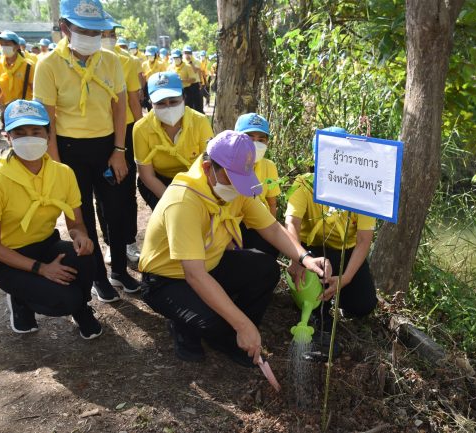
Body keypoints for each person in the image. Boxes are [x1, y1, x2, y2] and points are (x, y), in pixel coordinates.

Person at [138, 130, 334, 366]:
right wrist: (241, 323)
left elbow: (271, 228)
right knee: (214, 320)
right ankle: (185, 325)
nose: (237, 187)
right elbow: (194, 275)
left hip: (211, 263)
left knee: (266, 268)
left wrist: (305, 258)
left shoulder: (237, 190)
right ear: (209, 168)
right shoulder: (184, 201)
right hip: (166, 279)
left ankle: (233, 337)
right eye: (231, 178)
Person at [34, 0, 137, 303]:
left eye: (97, 31)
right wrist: (57, 166)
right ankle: (97, 277)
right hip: (68, 149)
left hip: (107, 147)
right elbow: (48, 121)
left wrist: (119, 149)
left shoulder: (110, 60)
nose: (92, 36)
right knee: (83, 217)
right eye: (84, 30)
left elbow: (119, 110)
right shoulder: (48, 65)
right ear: (65, 28)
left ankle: (119, 269)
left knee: (116, 210)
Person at [0, 99, 100, 338]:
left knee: (86, 257)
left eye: (36, 131)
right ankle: (21, 299)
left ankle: (81, 308)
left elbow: (75, 223)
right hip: (6, 260)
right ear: (8, 137)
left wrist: (81, 236)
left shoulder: (63, 173)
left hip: (45, 245)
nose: (29, 138)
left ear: (48, 134)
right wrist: (41, 269)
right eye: (19, 132)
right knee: (65, 298)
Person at [284, 126, 378, 357]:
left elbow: (365, 239)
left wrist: (346, 278)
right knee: (318, 288)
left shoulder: (361, 188)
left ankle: (335, 290)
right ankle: (318, 315)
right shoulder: (305, 184)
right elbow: (292, 223)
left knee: (363, 305)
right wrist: (297, 259)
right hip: (312, 251)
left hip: (346, 251)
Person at [97, 17, 143, 265]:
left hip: (124, 132)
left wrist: (141, 129)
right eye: (102, 33)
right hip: (96, 134)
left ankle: (129, 239)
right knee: (103, 192)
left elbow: (134, 100)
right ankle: (109, 241)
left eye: (109, 33)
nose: (107, 37)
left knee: (126, 189)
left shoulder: (126, 60)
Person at [133, 71, 213, 209]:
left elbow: (208, 167)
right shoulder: (140, 128)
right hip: (158, 181)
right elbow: (147, 175)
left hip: (195, 180)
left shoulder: (200, 122)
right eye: (161, 103)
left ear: (184, 97)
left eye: (173, 101)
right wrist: (174, 202)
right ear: (151, 103)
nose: (168, 107)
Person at [234, 113, 280, 257]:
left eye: (261, 139)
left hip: (259, 223)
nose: (255, 143)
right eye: (249, 137)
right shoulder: (227, 163)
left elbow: (272, 203)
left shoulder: (269, 166)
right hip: (234, 223)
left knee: (269, 251)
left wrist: (271, 234)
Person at [0, 31, 35, 112]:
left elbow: (35, 90)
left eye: (7, 44)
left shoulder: (28, 65)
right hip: (7, 110)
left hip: (26, 109)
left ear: (17, 46)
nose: (3, 47)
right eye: (2, 44)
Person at [182, 45, 204, 113]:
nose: (187, 54)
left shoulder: (196, 61)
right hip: (186, 85)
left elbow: (196, 71)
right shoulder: (182, 61)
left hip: (195, 85)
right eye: (186, 52)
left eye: (189, 52)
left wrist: (191, 63)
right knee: (188, 105)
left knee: (198, 104)